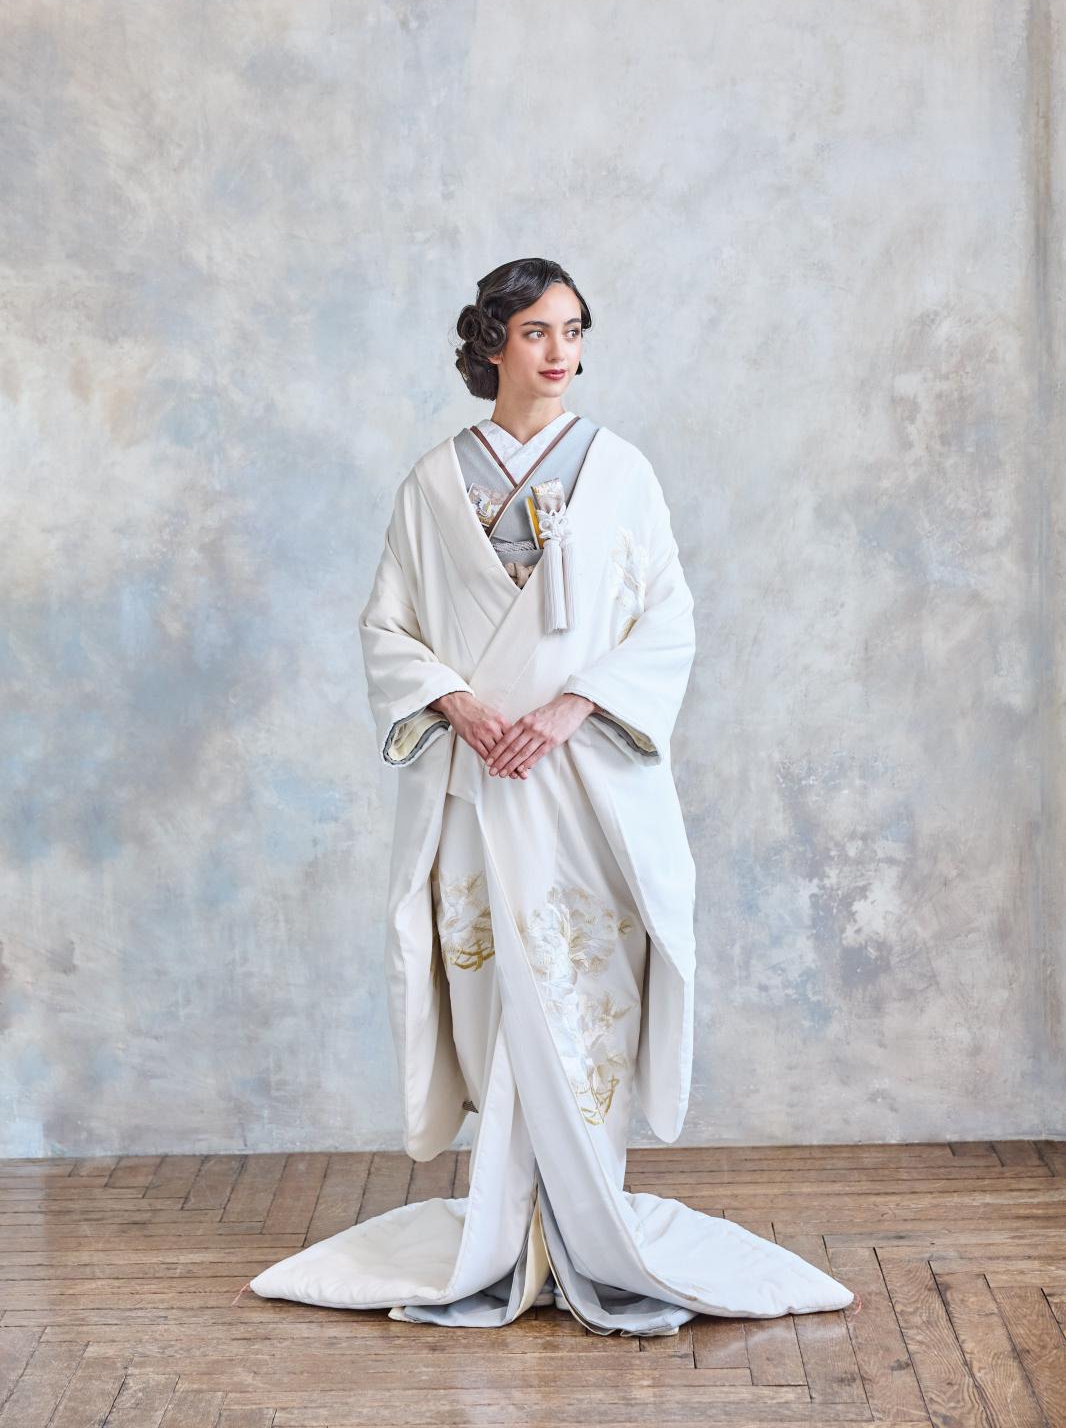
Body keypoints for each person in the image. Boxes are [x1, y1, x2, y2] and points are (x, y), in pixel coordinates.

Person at [249, 257, 854, 1334]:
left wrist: (574, 705)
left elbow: (667, 619)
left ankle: (587, 1228)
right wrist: (461, 705)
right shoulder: (434, 484)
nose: (560, 351)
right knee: (500, 998)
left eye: (572, 330)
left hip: (585, 784)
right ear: (491, 343)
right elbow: (387, 626)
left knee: (582, 994)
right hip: (480, 780)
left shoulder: (621, 472)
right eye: (535, 331)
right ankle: (506, 1231)